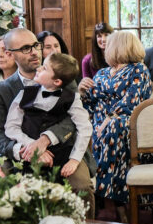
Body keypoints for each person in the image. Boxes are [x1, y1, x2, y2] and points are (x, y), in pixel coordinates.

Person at [0, 28, 96, 214]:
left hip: (65, 149)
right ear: (9, 54)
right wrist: (27, 150)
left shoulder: (60, 74)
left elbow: (74, 120)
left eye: (35, 46)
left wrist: (46, 139)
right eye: (25, 48)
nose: (34, 52)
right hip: (22, 154)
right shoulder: (1, 90)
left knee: (80, 186)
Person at [79, 30, 151, 221]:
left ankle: (113, 198)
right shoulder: (102, 73)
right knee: (95, 132)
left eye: (109, 45)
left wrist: (109, 119)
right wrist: (81, 91)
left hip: (129, 122)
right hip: (100, 124)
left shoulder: (138, 70)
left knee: (114, 129)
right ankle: (110, 196)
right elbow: (90, 103)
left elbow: (132, 102)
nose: (105, 49)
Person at [5, 52, 92, 181]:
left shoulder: (72, 99)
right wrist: (33, 146)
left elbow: (85, 128)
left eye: (44, 68)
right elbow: (11, 127)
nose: (38, 68)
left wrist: (74, 160)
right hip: (30, 157)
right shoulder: (24, 94)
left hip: (62, 156)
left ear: (57, 81)